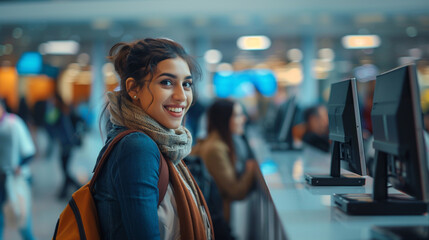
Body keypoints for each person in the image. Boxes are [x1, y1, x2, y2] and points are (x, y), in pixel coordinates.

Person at [93, 38, 214, 239]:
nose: (181, 96)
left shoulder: (159, 143)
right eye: (167, 82)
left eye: (186, 84)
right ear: (133, 89)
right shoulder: (138, 147)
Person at [191, 99, 258, 239]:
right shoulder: (216, 149)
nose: (243, 118)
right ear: (224, 119)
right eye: (238, 115)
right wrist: (251, 169)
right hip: (215, 228)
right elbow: (236, 191)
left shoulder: (214, 143)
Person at [0, 99, 37, 240]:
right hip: (1, 181)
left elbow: (29, 152)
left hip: (16, 180)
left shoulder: (14, 123)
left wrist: (18, 167)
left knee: (24, 226)